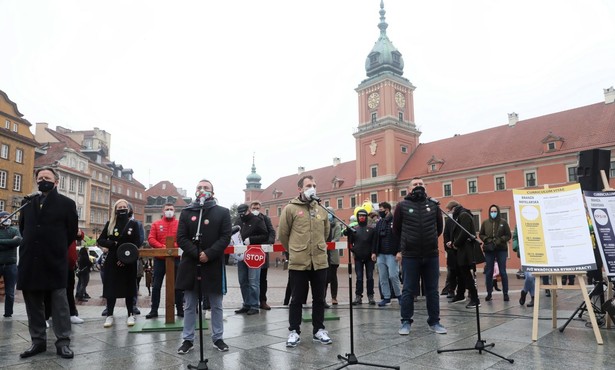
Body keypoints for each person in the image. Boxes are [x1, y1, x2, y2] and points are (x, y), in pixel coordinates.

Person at [17, 166, 78, 359]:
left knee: (60, 303)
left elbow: (71, 231)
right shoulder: (28, 203)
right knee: (33, 303)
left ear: (56, 182)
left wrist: (55, 246)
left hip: (54, 259)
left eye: (47, 177)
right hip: (30, 259)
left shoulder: (67, 204)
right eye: (40, 177)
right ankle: (38, 341)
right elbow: (23, 227)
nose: (43, 180)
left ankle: (63, 342)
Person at [175, 179, 231, 354]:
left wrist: (209, 254)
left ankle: (218, 338)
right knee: (190, 304)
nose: (202, 190)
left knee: (216, 304)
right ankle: (188, 339)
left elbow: (225, 236)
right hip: (191, 263)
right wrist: (196, 253)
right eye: (199, 187)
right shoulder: (187, 212)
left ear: (212, 193)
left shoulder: (222, 212)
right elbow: (181, 237)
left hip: (213, 263)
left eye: (206, 188)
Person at [278, 174, 332, 347]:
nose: (312, 188)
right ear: (300, 189)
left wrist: (316, 247)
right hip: (299, 261)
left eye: (314, 185)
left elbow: (326, 233)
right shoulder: (290, 209)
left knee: (319, 298)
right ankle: (294, 331)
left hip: (319, 261)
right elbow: (283, 235)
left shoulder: (321, 209)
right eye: (308, 185)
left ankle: (319, 330)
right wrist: (294, 250)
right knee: (297, 298)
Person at [393, 177, 446, 335]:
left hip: (431, 254)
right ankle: (406, 322)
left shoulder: (433, 205)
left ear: (425, 187)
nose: (418, 186)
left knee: (432, 290)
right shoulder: (402, 206)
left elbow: (439, 229)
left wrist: (429, 240)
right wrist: (406, 245)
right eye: (415, 184)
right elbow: (396, 230)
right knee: (408, 289)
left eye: (421, 184)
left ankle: (434, 321)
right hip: (410, 255)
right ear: (409, 189)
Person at [97, 199, 141, 328]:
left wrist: (125, 256)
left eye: (124, 207)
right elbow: (101, 240)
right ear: (115, 210)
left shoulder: (133, 224)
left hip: (128, 261)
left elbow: (137, 242)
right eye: (119, 207)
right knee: (111, 289)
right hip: (112, 260)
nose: (122, 209)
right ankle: (109, 315)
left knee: (129, 289)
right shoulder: (110, 224)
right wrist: (113, 244)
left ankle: (130, 314)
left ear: (128, 209)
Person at [145, 203, 184, 319]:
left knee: (178, 286)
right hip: (160, 260)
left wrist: (172, 248)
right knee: (156, 286)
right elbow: (151, 238)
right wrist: (162, 248)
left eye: (171, 209)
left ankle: (180, 309)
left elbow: (182, 238)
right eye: (167, 209)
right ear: (163, 211)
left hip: (175, 259)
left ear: (174, 211)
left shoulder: (179, 224)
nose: (169, 211)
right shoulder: (156, 224)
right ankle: (154, 310)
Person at [234, 203, 268, 315]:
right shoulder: (238, 221)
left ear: (248, 210)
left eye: (244, 213)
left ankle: (254, 305)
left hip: (254, 254)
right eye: (240, 214)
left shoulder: (257, 220)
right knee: (243, 281)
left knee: (253, 281)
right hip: (241, 254)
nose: (242, 215)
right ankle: (246, 304)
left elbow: (265, 235)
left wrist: (252, 240)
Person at [447, 200, 481, 309]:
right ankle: (460, 295)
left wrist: (455, 244)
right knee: (461, 273)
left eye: (449, 210)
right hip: (461, 250)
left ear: (453, 208)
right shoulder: (460, 216)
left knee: (467, 275)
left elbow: (464, 232)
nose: (449, 213)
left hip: (466, 251)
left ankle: (475, 299)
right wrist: (453, 242)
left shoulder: (464, 215)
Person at [479, 204, 512, 302]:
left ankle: (505, 293)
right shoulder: (485, 223)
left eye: (495, 211)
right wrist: (487, 239)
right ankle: (489, 293)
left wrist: (501, 239)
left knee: (503, 271)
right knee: (489, 272)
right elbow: (481, 234)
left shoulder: (503, 222)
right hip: (489, 250)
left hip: (501, 249)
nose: (493, 213)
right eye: (491, 211)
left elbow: (508, 235)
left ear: (497, 212)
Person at [372, 202, 401, 307]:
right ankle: (386, 297)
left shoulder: (395, 221)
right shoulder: (380, 222)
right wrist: (374, 252)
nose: (380, 212)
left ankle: (399, 295)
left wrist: (399, 251)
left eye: (381, 210)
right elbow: (376, 238)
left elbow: (400, 237)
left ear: (387, 210)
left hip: (392, 254)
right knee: (383, 277)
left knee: (393, 276)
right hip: (381, 254)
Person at [250, 200, 276, 311]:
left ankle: (263, 300)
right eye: (253, 208)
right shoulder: (248, 219)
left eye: (257, 208)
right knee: (250, 279)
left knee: (262, 278)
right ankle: (250, 302)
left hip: (262, 251)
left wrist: (268, 243)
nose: (255, 210)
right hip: (250, 252)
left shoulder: (266, 219)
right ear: (250, 208)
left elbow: (272, 232)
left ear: (260, 208)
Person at [349, 208, 376, 305]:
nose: (362, 217)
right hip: (358, 258)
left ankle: (370, 296)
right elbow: (350, 243)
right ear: (358, 217)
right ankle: (358, 296)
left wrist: (373, 253)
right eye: (360, 216)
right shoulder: (354, 229)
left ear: (366, 217)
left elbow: (374, 242)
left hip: (369, 257)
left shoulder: (372, 229)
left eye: (364, 216)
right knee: (359, 278)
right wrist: (353, 250)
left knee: (370, 277)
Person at [0, 211, 21, 318]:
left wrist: (1, 242)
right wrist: (10, 243)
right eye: (4, 217)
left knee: (10, 292)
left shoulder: (14, 230)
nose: (7, 219)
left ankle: (8, 313)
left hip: (11, 265)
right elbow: (13, 243)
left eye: (9, 217)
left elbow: (17, 242)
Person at [325, 207, 342, 306]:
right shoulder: (323, 225)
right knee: (324, 278)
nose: (328, 215)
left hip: (333, 256)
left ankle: (334, 297)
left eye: (329, 213)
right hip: (324, 255)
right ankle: (323, 298)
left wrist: (330, 243)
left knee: (333, 277)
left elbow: (337, 238)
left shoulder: (337, 226)